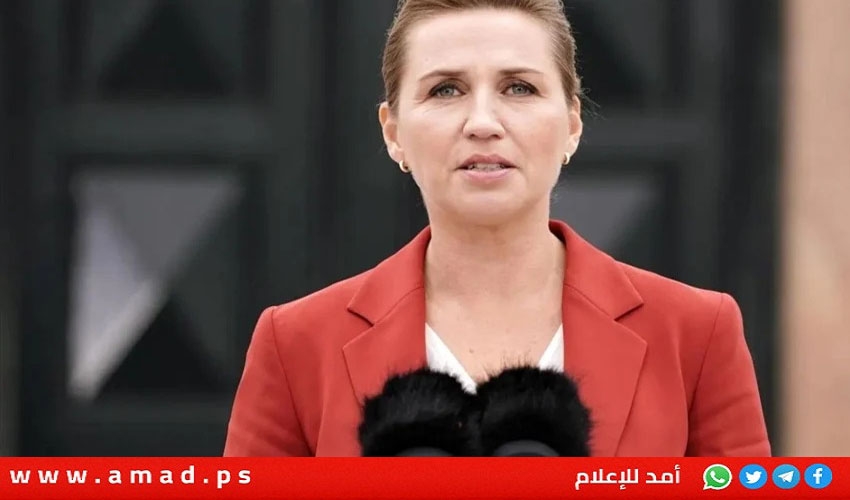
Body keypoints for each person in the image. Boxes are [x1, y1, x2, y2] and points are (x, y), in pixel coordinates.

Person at [223, 0, 770, 456]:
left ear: (572, 124)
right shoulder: (295, 344)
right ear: (393, 132)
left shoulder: (695, 333)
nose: (483, 123)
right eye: (446, 90)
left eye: (519, 88)